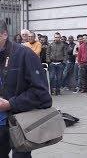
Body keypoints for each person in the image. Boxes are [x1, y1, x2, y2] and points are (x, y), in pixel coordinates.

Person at [0, 20, 52, 158]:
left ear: (4, 34)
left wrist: (11, 104)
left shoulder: (24, 54)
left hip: (18, 125)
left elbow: (42, 95)